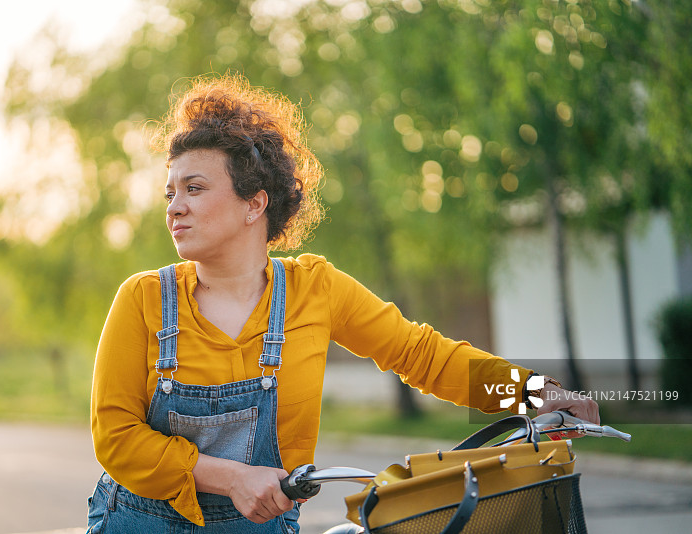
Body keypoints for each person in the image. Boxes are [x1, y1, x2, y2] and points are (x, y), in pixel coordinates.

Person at [86, 74, 598, 533]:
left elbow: (422, 355)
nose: (175, 207)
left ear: (254, 203)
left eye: (194, 188)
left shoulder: (316, 289)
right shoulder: (143, 298)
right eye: (170, 192)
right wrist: (233, 478)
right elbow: (115, 435)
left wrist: (533, 393)